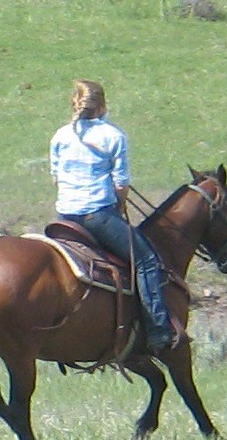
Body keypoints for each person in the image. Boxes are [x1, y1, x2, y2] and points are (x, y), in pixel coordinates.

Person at [50, 78, 175, 352]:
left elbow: (57, 178)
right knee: (146, 261)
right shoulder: (113, 136)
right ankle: (158, 330)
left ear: (74, 103)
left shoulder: (60, 136)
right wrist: (118, 207)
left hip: (64, 218)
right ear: (103, 105)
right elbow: (121, 184)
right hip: (98, 216)